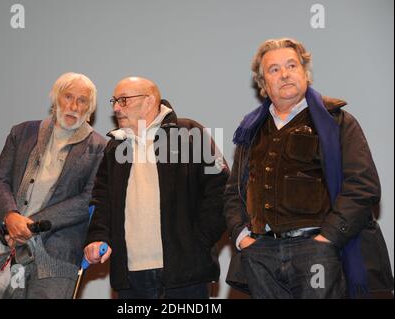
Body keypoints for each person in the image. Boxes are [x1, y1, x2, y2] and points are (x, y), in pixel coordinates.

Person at [224, 38, 393, 299]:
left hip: (317, 249)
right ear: (263, 85)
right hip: (261, 252)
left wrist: (327, 240)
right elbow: (233, 193)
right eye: (274, 69)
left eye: (292, 65)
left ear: (305, 73)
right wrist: (243, 238)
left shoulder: (337, 121)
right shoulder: (250, 130)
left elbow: (363, 186)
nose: (285, 74)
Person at [0, 72, 106, 298]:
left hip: (57, 256)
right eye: (68, 97)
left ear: (89, 109)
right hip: (6, 242)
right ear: (55, 99)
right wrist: (11, 217)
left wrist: (30, 226)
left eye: (82, 101)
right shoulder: (22, 132)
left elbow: (88, 199)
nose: (73, 105)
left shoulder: (100, 147)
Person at [84, 76, 229, 299]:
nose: (115, 108)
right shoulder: (115, 146)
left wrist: (197, 241)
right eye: (114, 101)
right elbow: (101, 199)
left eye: (123, 100)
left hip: (185, 275)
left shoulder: (190, 133)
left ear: (150, 101)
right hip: (130, 277)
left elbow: (220, 189)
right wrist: (97, 236)